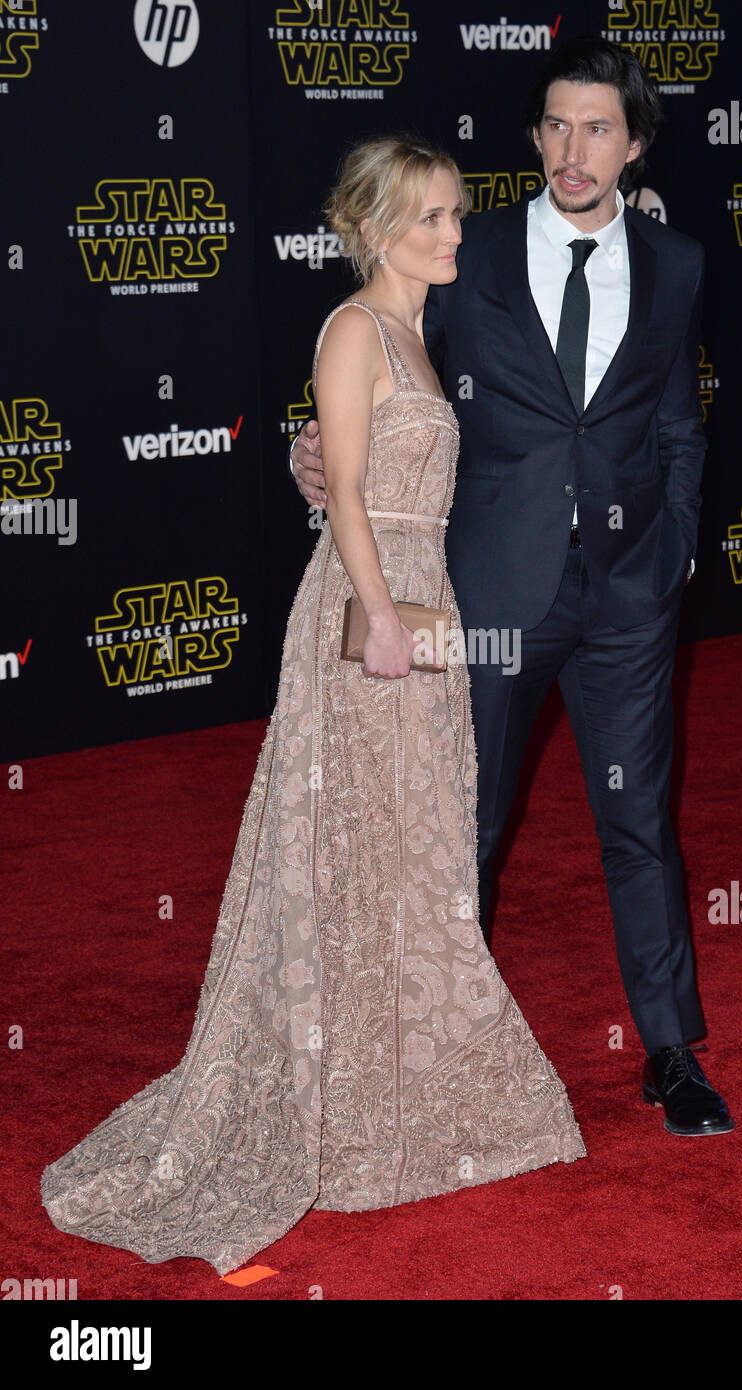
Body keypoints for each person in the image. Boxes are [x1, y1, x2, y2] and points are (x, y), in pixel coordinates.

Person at [41, 137, 586, 1278]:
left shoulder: (414, 336)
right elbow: (343, 491)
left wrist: (406, 597)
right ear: (377, 227)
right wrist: (382, 614)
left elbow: (356, 465)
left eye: (453, 216)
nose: (451, 234)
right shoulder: (352, 328)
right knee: (352, 845)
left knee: (413, 846)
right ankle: (334, 1099)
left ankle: (394, 1083)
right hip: (368, 612)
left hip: (421, 603)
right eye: (430, 219)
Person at [292, 38, 734, 1137]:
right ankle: (438, 1054)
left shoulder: (674, 265)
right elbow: (382, 372)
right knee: (463, 825)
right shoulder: (465, 251)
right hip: (486, 596)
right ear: (534, 135)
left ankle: (670, 1052)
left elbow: (676, 419)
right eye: (554, 125)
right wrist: (315, 457)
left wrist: (673, 544)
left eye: (596, 129)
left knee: (637, 822)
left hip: (627, 599)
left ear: (632, 146)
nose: (571, 149)